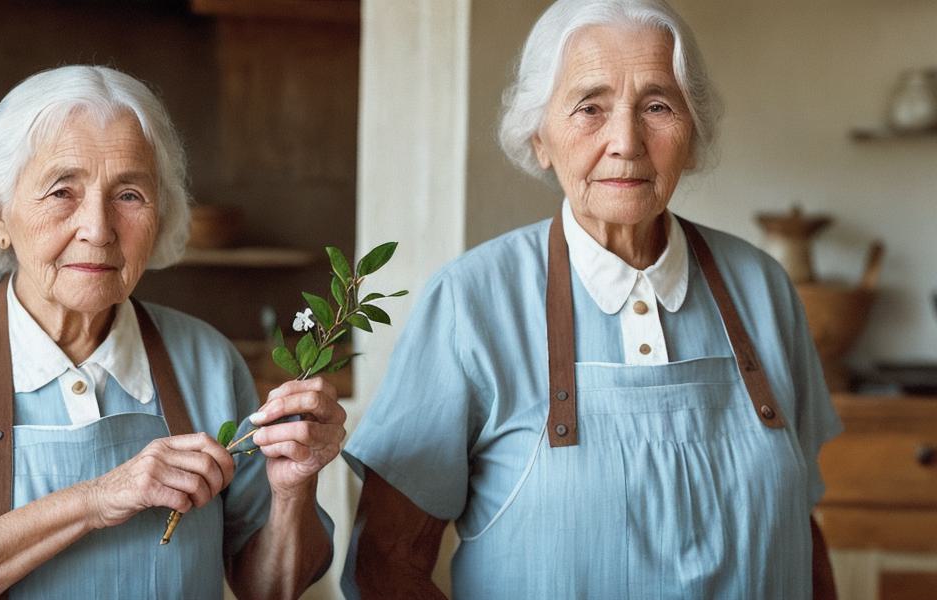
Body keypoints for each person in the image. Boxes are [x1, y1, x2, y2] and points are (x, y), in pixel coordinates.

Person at [341, 0, 842, 597]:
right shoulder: (469, 302)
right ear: (540, 137)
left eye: (657, 106)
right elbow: (386, 565)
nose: (626, 141)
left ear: (692, 131)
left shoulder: (763, 287)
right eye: (589, 108)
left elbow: (799, 533)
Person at [0, 65, 346, 599]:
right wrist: (97, 499)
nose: (99, 229)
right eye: (61, 191)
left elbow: (271, 590)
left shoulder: (207, 361)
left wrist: (292, 490)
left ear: (161, 215)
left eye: (129, 195)